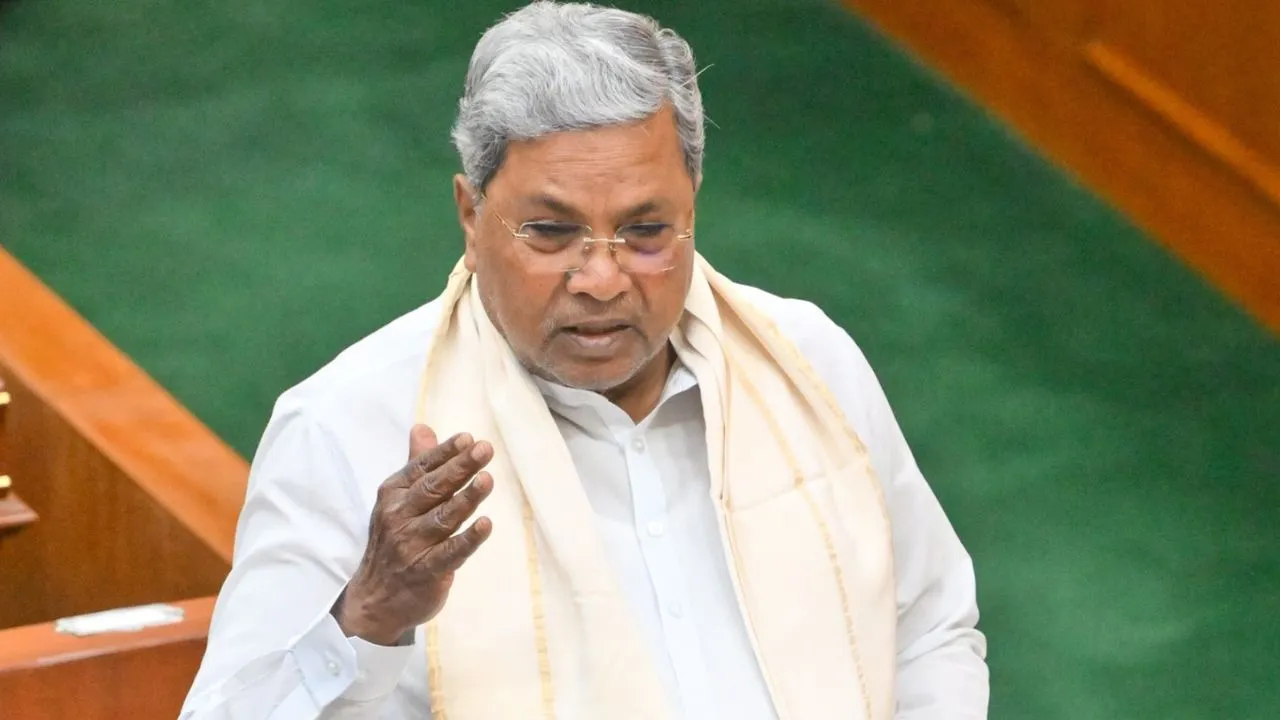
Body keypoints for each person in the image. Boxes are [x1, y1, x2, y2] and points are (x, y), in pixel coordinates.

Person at [180, 2, 988, 718]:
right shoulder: (347, 430)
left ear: (693, 205)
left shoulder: (808, 365)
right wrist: (367, 616)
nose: (601, 279)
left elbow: (929, 628)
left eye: (645, 231)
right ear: (470, 216)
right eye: (551, 232)